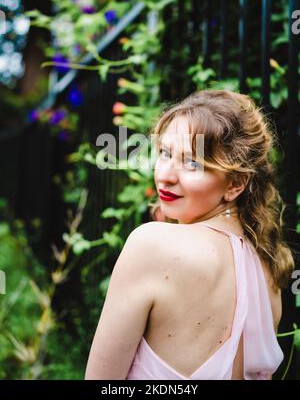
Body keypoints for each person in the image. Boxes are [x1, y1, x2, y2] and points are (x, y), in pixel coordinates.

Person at [85, 89, 295, 380]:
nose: (166, 175)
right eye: (165, 153)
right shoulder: (267, 269)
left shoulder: (150, 245)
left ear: (235, 183)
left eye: (192, 163)